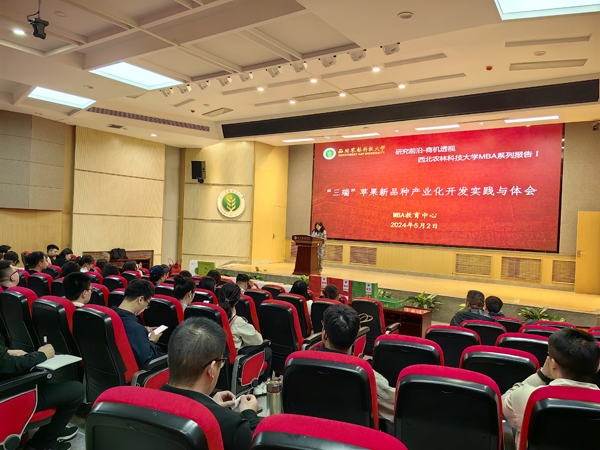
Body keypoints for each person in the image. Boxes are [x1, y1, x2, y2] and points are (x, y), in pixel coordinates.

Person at [0, 261, 83, 450]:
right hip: (6, 393)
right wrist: (41, 355)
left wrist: (6, 351)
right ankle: (41, 445)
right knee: (75, 390)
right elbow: (6, 365)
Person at [160, 317, 260, 450]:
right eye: (221, 362)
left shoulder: (144, 404)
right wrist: (250, 414)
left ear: (169, 362)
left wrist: (210, 404)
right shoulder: (230, 425)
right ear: (211, 369)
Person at [503, 328, 600, 449]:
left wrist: (541, 375)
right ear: (597, 368)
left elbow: (503, 402)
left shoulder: (528, 396)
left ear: (553, 364)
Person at [316, 303, 395, 430]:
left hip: (308, 434)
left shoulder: (298, 364)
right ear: (356, 337)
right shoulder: (366, 376)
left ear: (325, 334)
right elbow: (396, 406)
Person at [114, 280, 164, 368]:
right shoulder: (135, 329)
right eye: (147, 304)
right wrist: (152, 340)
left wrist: (142, 330)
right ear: (140, 299)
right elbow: (148, 363)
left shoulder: (111, 315)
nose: (145, 308)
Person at [218, 283, 264, 350]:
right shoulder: (237, 322)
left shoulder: (212, 312)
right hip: (230, 356)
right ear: (237, 301)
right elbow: (258, 340)